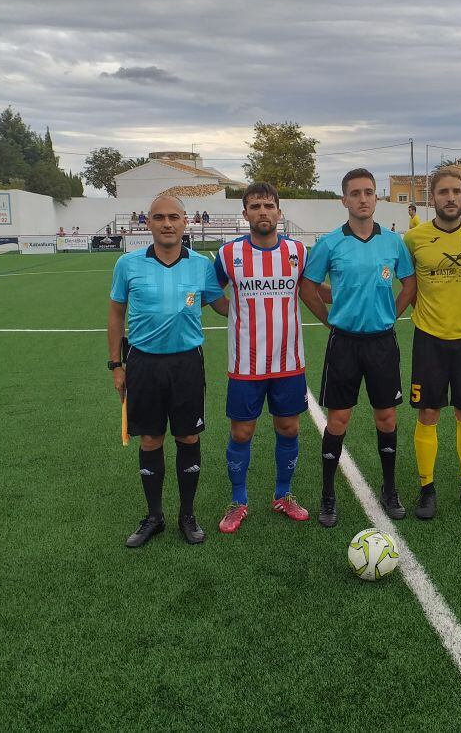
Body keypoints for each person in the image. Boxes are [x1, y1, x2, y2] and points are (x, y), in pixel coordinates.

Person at [108, 194, 227, 547]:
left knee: (189, 437)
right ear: (148, 223)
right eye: (159, 217)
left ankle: (187, 515)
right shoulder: (127, 264)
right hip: (143, 363)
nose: (167, 223)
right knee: (150, 439)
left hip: (187, 363)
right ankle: (154, 516)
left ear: (185, 221)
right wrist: (116, 364)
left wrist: (261, 300)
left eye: (174, 216)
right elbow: (116, 314)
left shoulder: (201, 265)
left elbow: (222, 305)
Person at [300, 168, 417, 528]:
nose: (363, 198)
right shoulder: (330, 243)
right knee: (339, 419)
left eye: (369, 192)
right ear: (344, 200)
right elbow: (308, 286)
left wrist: (389, 315)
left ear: (377, 198)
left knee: (387, 417)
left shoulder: (394, 243)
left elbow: (409, 285)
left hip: (382, 342)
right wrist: (328, 320)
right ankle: (328, 495)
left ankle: (390, 487)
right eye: (355, 193)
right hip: (345, 343)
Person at [213, 182, 323, 533]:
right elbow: (212, 292)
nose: (263, 211)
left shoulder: (298, 251)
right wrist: (235, 313)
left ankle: (283, 495)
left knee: (288, 427)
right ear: (245, 213)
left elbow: (312, 290)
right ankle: (238, 500)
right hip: (246, 365)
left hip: (288, 362)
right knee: (242, 432)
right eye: (255, 206)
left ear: (279, 211)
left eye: (268, 205)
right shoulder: (228, 254)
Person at [403, 167, 461, 518]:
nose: (451, 197)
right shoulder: (413, 239)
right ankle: (427, 490)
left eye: (457, 191)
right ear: (432, 197)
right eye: (443, 192)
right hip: (429, 338)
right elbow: (410, 286)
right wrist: (428, 310)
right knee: (428, 412)